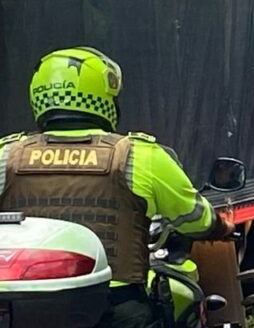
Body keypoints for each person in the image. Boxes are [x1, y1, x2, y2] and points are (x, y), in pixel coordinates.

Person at [0, 47, 233, 328]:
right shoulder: (139, 155)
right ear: (103, 96)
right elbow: (197, 220)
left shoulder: (7, 155)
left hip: (21, 310)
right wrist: (222, 227)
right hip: (116, 309)